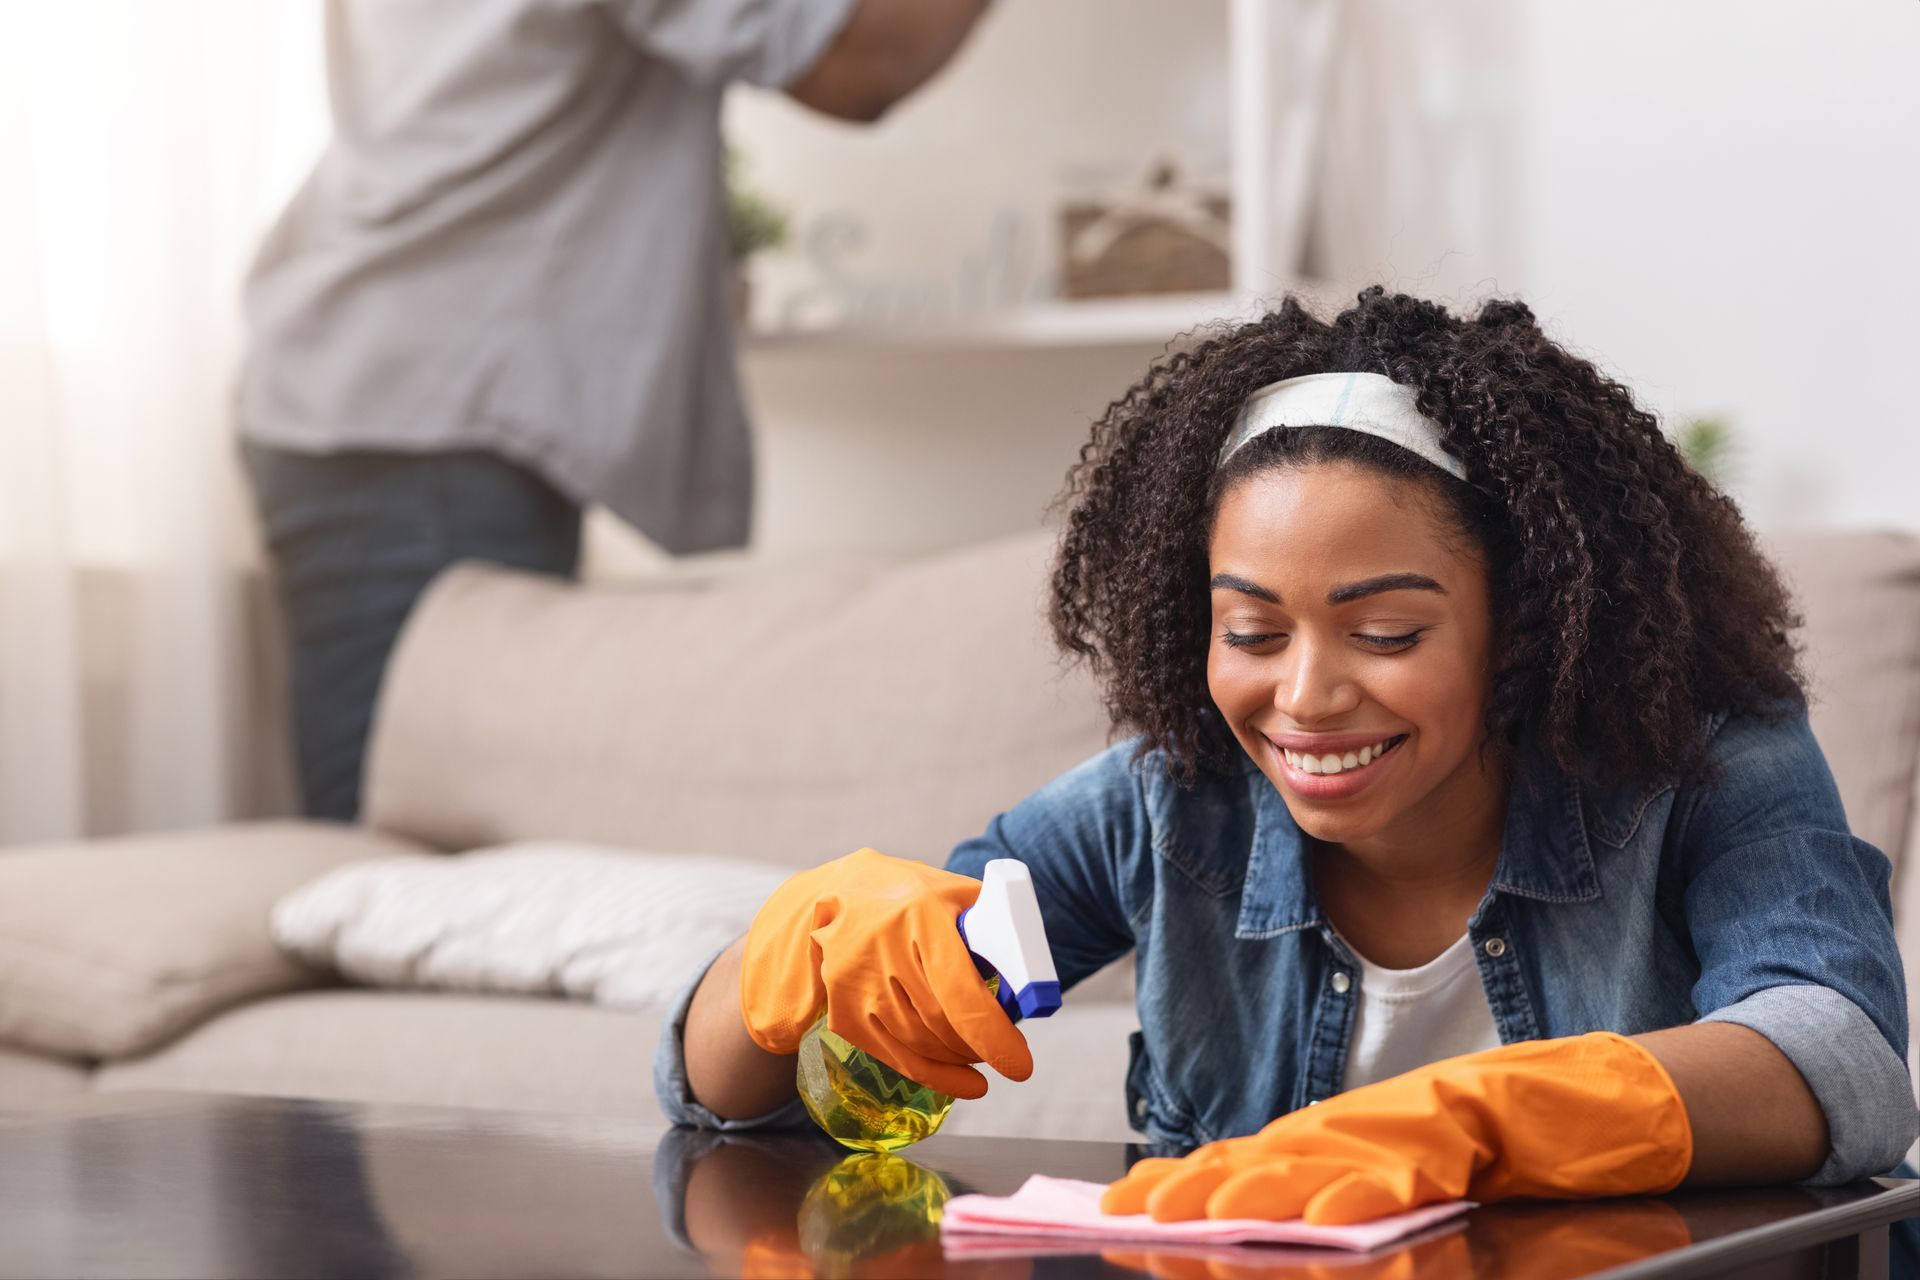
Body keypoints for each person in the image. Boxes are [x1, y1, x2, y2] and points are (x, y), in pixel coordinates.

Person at [656, 288, 1918, 1229]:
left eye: (1386, 630)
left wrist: (1484, 1116)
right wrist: (779, 958)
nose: (1305, 697)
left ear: (1525, 623)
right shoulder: (1169, 805)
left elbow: (1841, 1052)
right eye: (1251, 630)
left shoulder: (1696, 761)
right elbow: (746, 1101)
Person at [240, 0, 993, 821]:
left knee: (423, 862)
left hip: (395, 406)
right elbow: (865, 58)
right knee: (408, 872)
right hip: (418, 432)